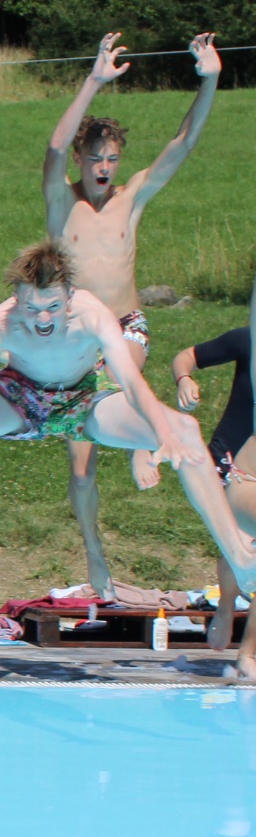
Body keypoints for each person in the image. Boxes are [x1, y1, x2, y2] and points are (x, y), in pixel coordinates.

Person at [0, 240, 256, 683]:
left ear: (69, 296)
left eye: (52, 307)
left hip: (86, 398)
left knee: (186, 430)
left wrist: (162, 431)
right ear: (16, 298)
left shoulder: (93, 313)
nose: (42, 319)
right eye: (31, 308)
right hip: (20, 397)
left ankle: (239, 557)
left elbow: (131, 381)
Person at [45, 31, 220, 593]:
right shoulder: (61, 201)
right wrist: (93, 81)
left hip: (125, 327)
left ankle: (146, 438)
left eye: (112, 159)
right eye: (95, 158)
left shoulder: (132, 198)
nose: (103, 167)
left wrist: (210, 79)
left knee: (125, 367)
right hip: (76, 342)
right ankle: (95, 554)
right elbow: (53, 148)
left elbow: (183, 143)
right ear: (81, 159)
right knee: (80, 469)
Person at [168, 269, 256, 678]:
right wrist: (184, 379)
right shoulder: (246, 340)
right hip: (230, 460)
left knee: (245, 545)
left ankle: (245, 647)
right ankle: (227, 611)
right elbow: (184, 355)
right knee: (238, 539)